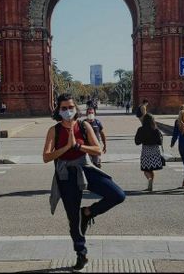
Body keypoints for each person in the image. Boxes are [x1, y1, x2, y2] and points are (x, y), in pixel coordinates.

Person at [43, 93, 125, 271]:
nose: (68, 110)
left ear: (75, 108)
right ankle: (81, 254)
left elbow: (97, 149)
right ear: (58, 110)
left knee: (118, 194)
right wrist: (66, 147)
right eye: (64, 108)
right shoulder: (54, 130)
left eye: (71, 107)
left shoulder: (84, 125)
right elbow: (46, 157)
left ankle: (87, 213)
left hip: (85, 169)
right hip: (65, 175)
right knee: (73, 219)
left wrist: (78, 146)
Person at [135, 113, 163, 191]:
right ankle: (150, 184)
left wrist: (143, 139)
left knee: (145, 169)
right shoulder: (156, 130)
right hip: (154, 151)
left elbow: (137, 142)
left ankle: (149, 180)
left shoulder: (141, 129)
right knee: (152, 169)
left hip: (146, 151)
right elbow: (160, 142)